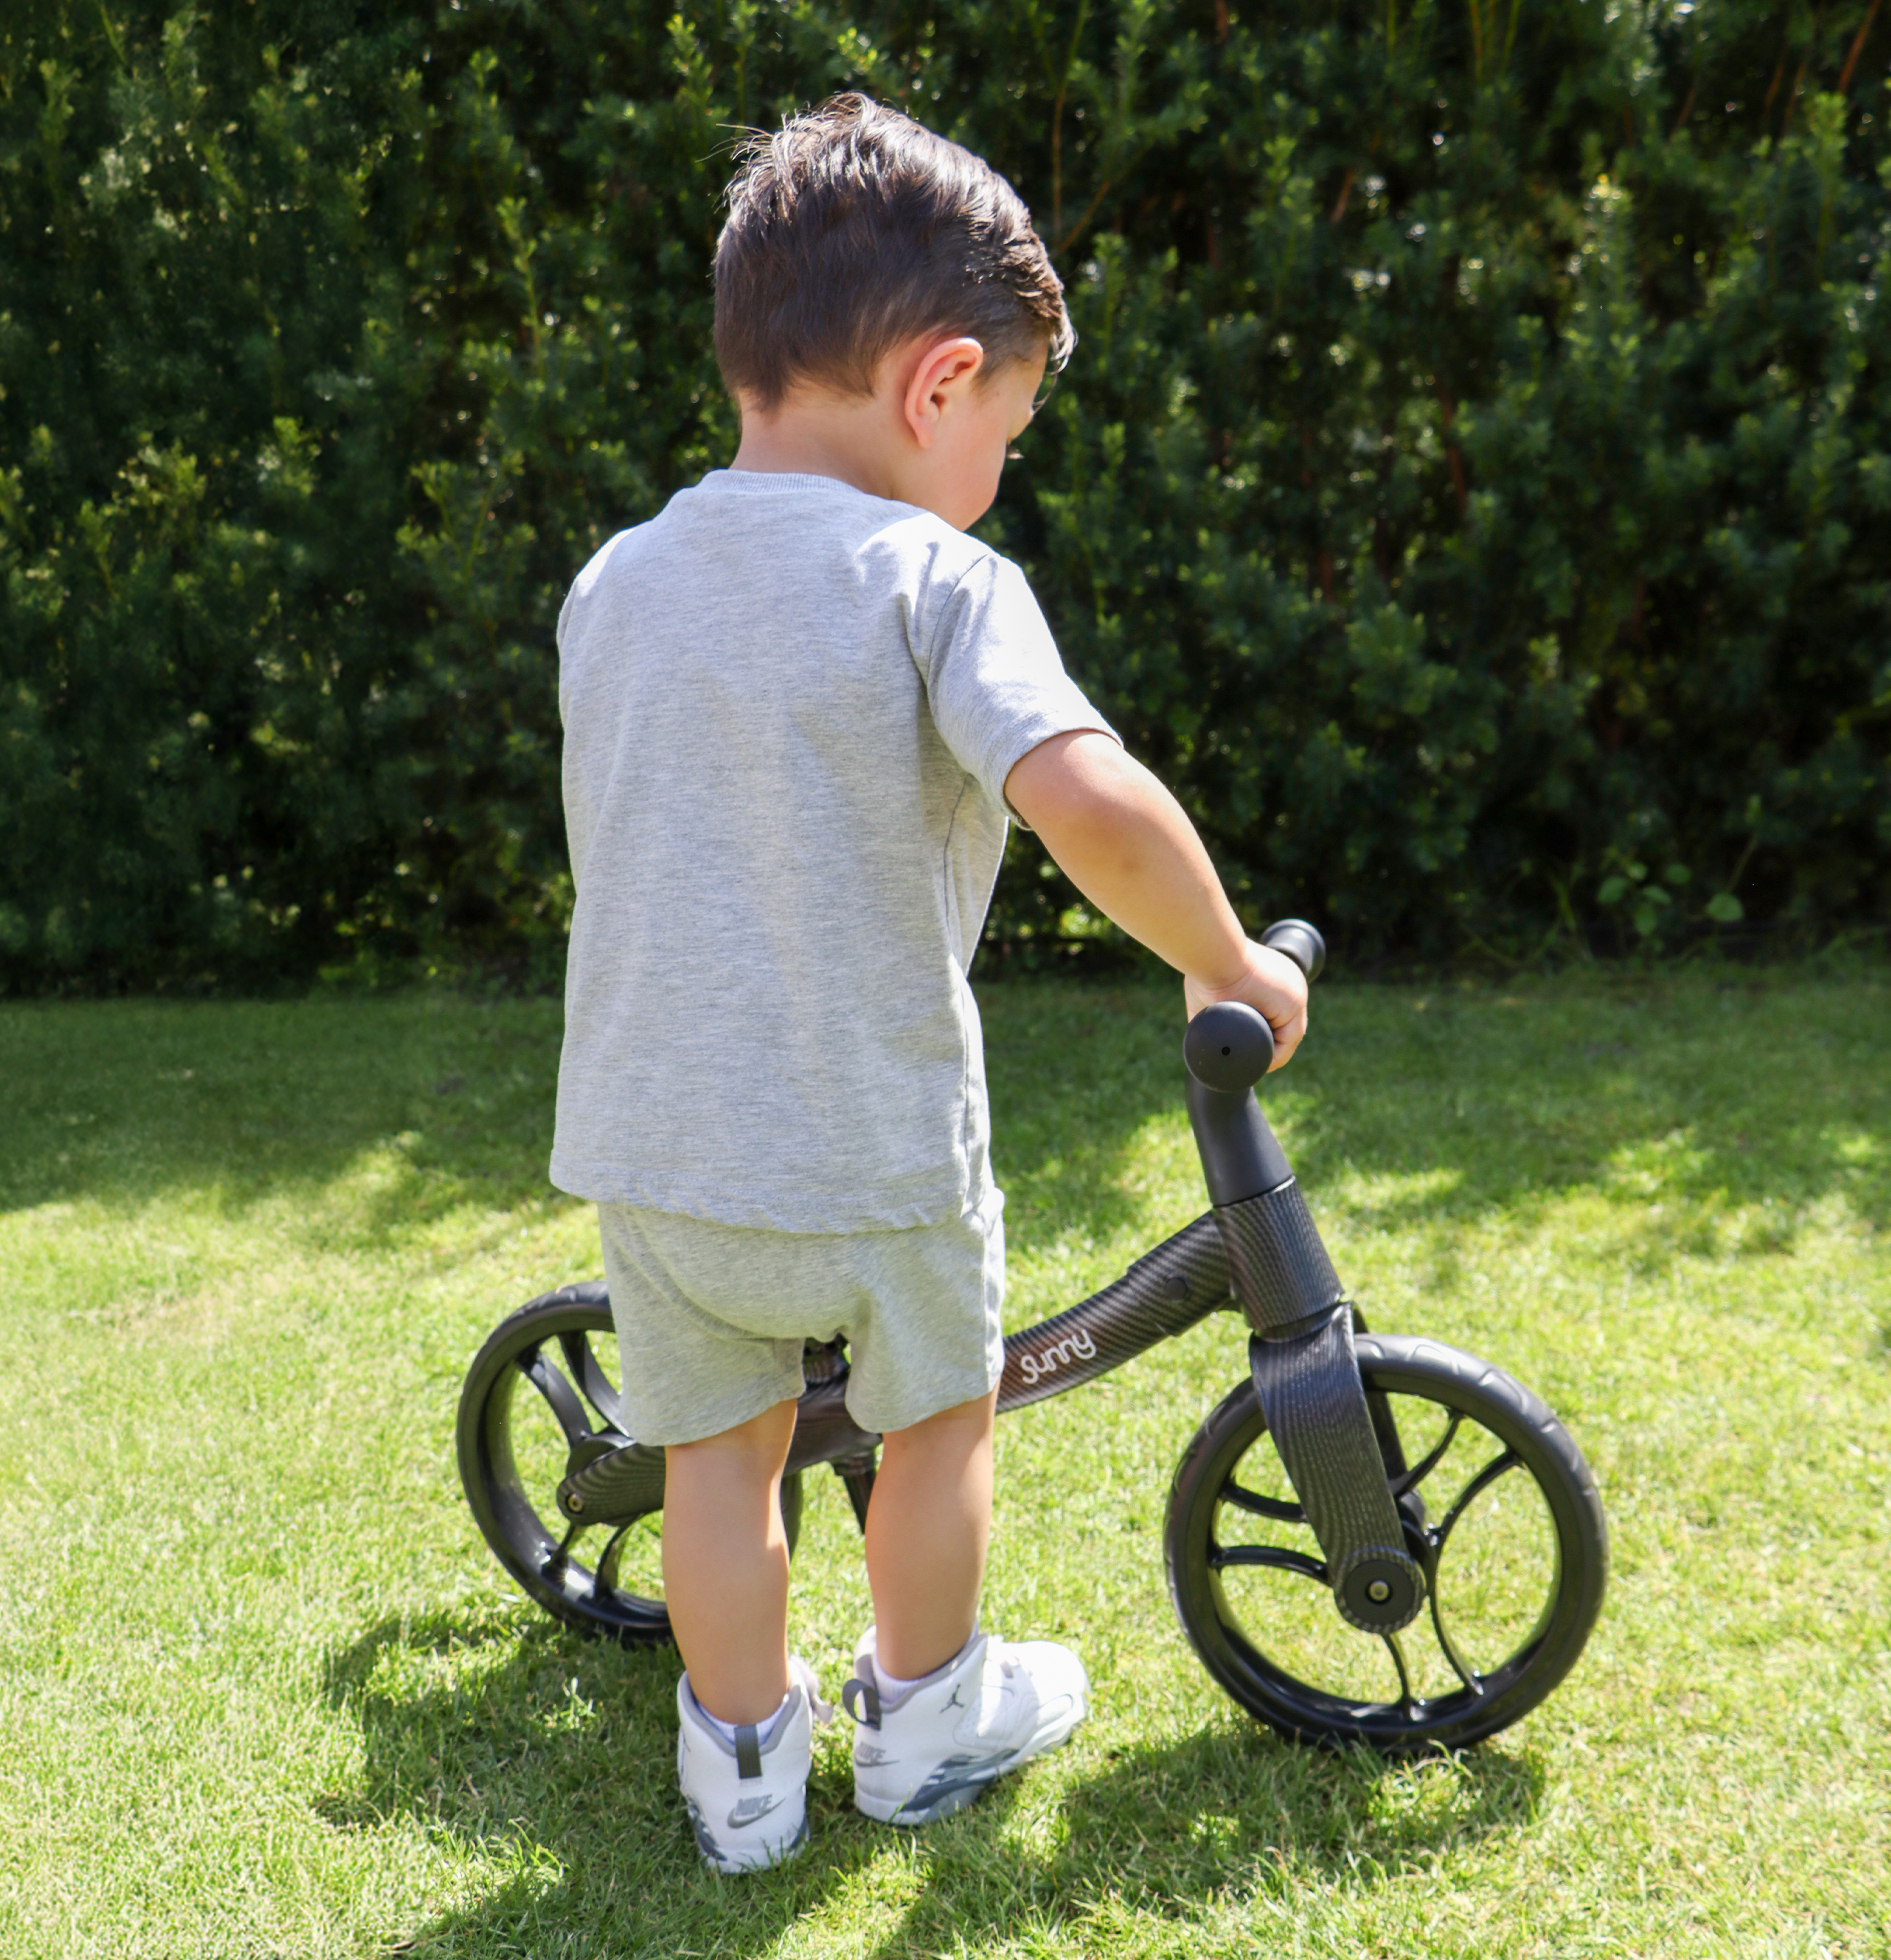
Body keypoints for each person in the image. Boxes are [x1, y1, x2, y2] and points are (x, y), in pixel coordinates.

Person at [550, 93, 1308, 1874]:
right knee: (935, 1422)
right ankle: (925, 1715)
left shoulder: (614, 583)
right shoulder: (935, 581)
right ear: (939, 382)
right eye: (1012, 432)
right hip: (871, 1144)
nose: (999, 474)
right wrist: (1229, 957)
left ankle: (740, 1774)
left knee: (716, 1464)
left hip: (654, 1145)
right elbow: (1081, 793)